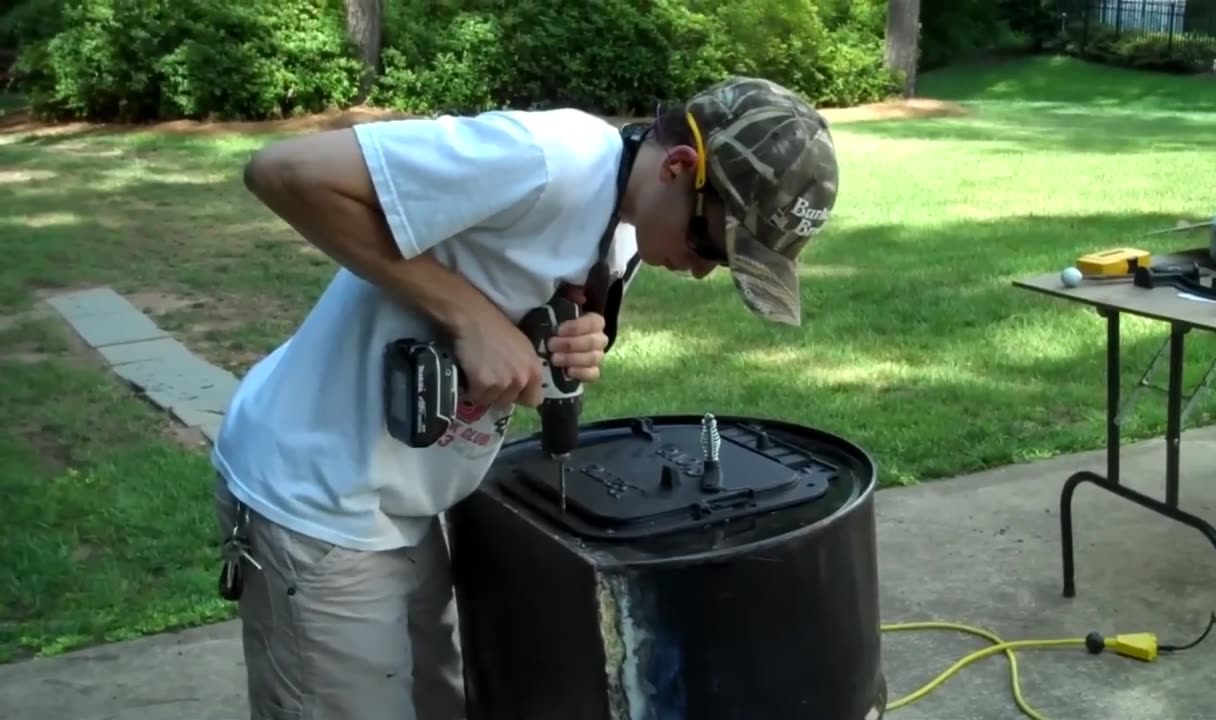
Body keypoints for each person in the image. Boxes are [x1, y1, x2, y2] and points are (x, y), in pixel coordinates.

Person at [210, 75, 839, 720]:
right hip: (316, 493)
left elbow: (507, 316)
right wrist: (468, 316)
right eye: (711, 244)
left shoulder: (627, 229)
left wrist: (566, 347)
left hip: (403, 501)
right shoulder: (548, 158)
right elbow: (283, 171)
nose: (706, 269)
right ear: (678, 167)